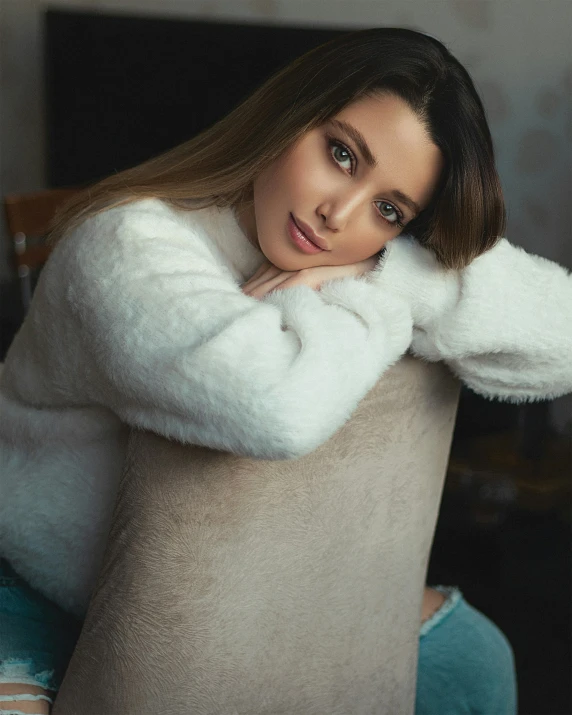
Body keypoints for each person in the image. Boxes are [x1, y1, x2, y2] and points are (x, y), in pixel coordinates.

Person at [0, 26, 570, 714]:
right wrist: (372, 303)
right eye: (340, 154)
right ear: (289, 114)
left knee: (478, 660)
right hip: (37, 587)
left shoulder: (365, 255)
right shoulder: (125, 243)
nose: (339, 214)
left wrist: (384, 272)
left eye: (389, 209)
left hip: (236, 600)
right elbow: (277, 407)